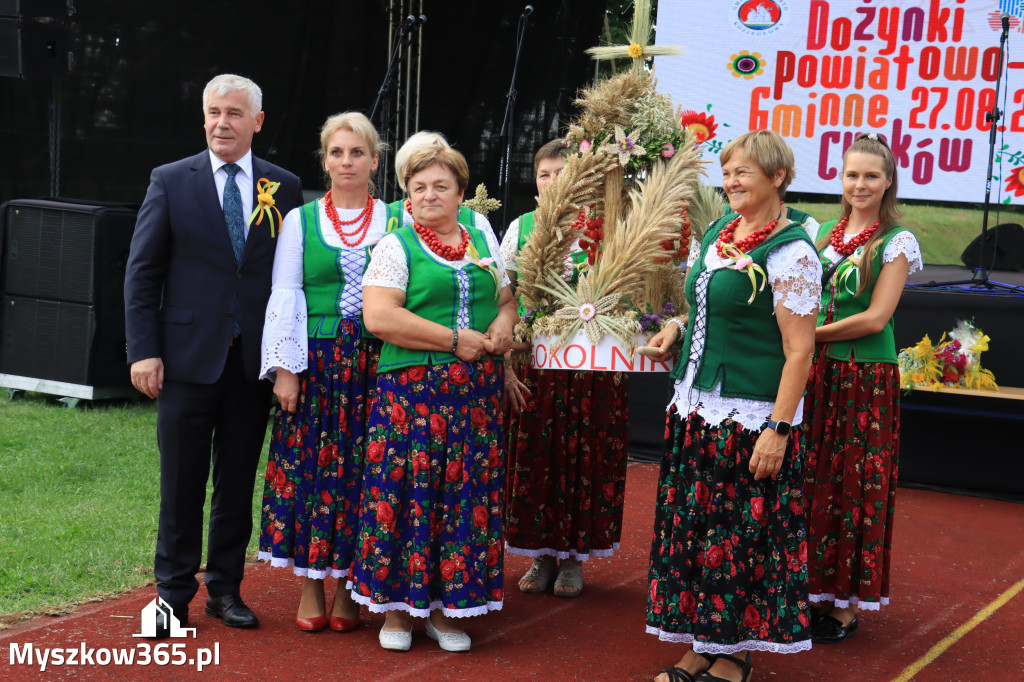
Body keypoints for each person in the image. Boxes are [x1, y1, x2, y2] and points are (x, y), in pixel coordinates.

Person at [124, 74, 303, 636]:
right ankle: (172, 596)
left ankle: (225, 589)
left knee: (236, 481)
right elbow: (142, 271)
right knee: (180, 481)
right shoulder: (171, 180)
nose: (220, 123)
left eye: (232, 113)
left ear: (257, 121)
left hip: (252, 364)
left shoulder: (284, 185)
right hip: (182, 360)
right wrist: (143, 351)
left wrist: (284, 360)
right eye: (212, 112)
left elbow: (288, 279)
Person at [644, 130, 821, 682]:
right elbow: (703, 301)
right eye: (727, 171)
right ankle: (701, 642)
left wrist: (778, 428)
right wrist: (675, 328)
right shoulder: (722, 231)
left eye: (744, 172)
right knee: (695, 530)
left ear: (778, 178)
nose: (731, 181)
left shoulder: (791, 250)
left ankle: (735, 655)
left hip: (749, 417)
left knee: (738, 537)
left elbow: (800, 351)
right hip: (697, 407)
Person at [352, 142, 518, 653]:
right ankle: (399, 613)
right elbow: (378, 317)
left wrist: (503, 327)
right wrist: (454, 340)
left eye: (440, 186)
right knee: (406, 498)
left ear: (461, 194)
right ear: (406, 196)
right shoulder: (395, 247)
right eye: (418, 187)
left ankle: (448, 609)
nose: (429, 195)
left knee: (459, 502)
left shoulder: (481, 247)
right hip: (411, 402)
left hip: (472, 404)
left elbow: (509, 300)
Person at [257, 112, 402, 632]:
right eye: (337, 153)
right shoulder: (299, 220)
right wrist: (285, 370)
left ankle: (349, 586)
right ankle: (312, 581)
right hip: (315, 363)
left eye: (357, 153)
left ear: (375, 162)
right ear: (324, 161)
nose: (347, 161)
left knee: (368, 470)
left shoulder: (396, 218)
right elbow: (285, 294)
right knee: (312, 470)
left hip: (378, 361)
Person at [801, 133, 921, 643]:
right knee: (811, 480)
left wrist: (805, 335)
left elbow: (875, 319)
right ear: (841, 178)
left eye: (872, 175)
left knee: (853, 484)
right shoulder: (821, 233)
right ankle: (806, 588)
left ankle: (846, 604)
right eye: (853, 174)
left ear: (888, 181)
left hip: (863, 380)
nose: (861, 184)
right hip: (813, 373)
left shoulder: (897, 240)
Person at [498, 139, 629, 597]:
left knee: (584, 460)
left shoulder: (608, 223)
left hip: (596, 367)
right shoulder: (522, 226)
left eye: (561, 173)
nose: (552, 182)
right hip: (539, 367)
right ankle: (541, 555)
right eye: (544, 175)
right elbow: (507, 293)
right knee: (538, 457)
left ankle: (573, 559)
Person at [389, 130, 498, 242]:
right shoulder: (385, 216)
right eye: (417, 166)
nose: (428, 172)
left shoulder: (475, 221)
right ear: (403, 175)